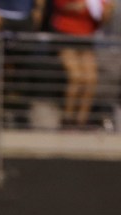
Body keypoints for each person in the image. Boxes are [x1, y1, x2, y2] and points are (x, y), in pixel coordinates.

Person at [49, 0, 114, 128]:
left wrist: (107, 11)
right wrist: (84, 5)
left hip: (86, 37)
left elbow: (102, 19)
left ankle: (81, 121)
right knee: (76, 77)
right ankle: (67, 119)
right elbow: (63, 6)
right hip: (66, 35)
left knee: (91, 79)